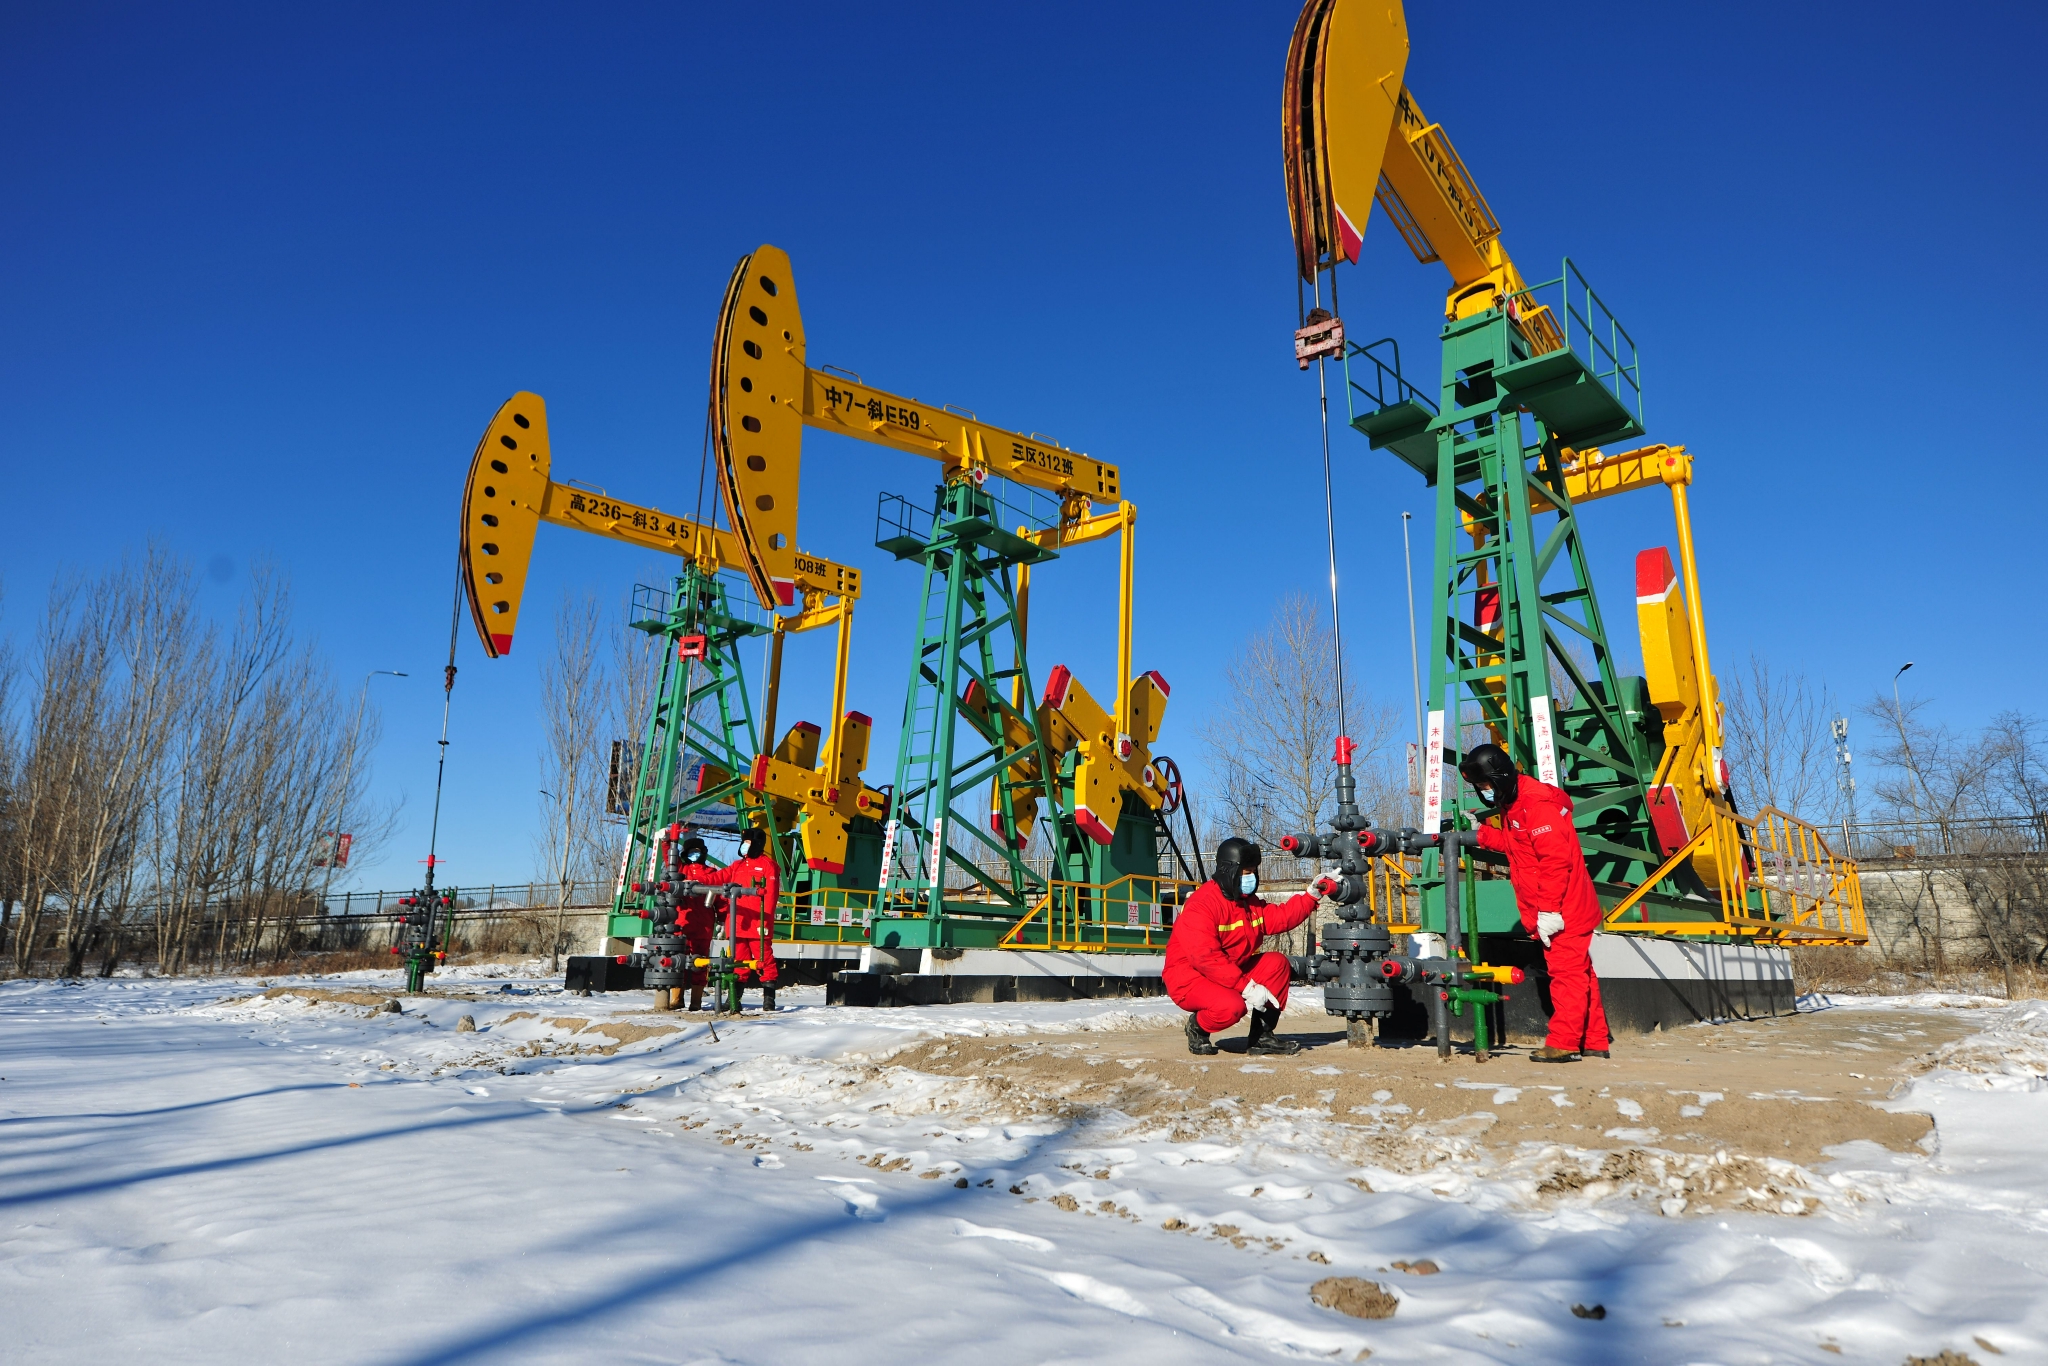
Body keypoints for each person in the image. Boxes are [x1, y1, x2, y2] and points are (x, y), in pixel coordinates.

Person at [1459, 743, 1611, 1062]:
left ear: (1500, 777)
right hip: (1560, 906)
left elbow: (1555, 861)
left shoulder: (1536, 804)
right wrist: (1483, 834)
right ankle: (1595, 1039)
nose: (1484, 792)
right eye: (1480, 788)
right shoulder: (1513, 802)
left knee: (1566, 976)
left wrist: (1550, 910)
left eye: (1485, 786)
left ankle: (1565, 1042)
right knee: (1580, 972)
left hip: (1565, 908)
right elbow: (1519, 846)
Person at [1164, 837, 1336, 1056]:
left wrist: (1311, 895)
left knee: (1277, 964)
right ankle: (1197, 1027)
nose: (1251, 878)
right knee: (1232, 1007)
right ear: (1228, 870)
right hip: (1191, 977)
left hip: (1230, 969)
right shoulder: (1202, 904)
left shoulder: (1247, 902)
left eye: (1254, 872)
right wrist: (1247, 987)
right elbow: (1206, 958)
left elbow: (1280, 917)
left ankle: (1262, 1038)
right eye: (1246, 873)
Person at [679, 825, 781, 1010]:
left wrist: (765, 921)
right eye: (744, 842)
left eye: (747, 842)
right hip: (738, 923)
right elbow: (717, 878)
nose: (744, 846)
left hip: (758, 923)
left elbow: (771, 897)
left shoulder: (768, 866)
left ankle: (769, 999)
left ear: (757, 843)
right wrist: (697, 882)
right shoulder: (737, 866)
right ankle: (734, 999)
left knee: (764, 959)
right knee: (737, 960)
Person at [673, 836, 718, 1012]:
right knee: (678, 961)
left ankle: (696, 1002)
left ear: (703, 853)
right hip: (682, 922)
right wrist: (667, 842)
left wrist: (722, 917)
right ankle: (677, 999)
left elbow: (720, 898)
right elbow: (671, 860)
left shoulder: (712, 874)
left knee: (701, 963)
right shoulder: (681, 870)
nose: (694, 855)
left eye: (697, 852)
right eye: (691, 852)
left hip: (703, 925)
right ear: (685, 853)